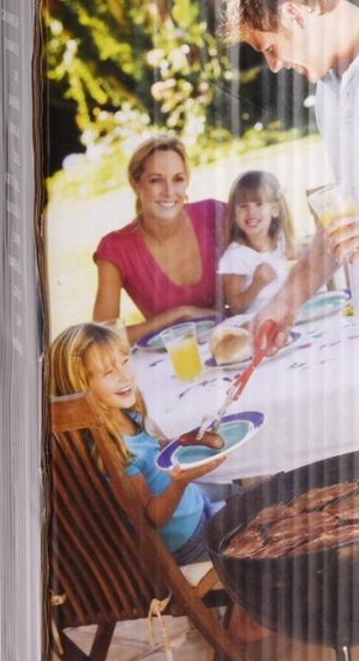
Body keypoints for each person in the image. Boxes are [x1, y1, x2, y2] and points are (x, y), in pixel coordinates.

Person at [220, 0, 359, 439]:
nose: (275, 66)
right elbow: (343, 221)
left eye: (271, 48)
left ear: (296, 14)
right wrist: (285, 302)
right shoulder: (330, 92)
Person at [48, 322, 225, 564]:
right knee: (264, 511)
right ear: (79, 388)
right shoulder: (111, 451)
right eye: (108, 372)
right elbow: (153, 517)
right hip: (190, 541)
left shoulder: (127, 414)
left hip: (197, 504)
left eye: (125, 361)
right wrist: (180, 483)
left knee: (261, 496)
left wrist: (196, 434)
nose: (125, 375)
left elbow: (162, 449)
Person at [93, 135, 226, 344]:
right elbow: (101, 337)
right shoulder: (115, 249)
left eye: (178, 179)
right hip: (172, 356)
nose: (169, 192)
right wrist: (178, 315)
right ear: (135, 184)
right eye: (156, 180)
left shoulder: (213, 214)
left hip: (234, 340)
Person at [218, 170, 296, 317]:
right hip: (256, 321)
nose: (251, 212)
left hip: (287, 313)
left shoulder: (280, 241)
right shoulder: (236, 255)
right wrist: (256, 285)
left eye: (259, 204)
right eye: (243, 206)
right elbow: (235, 308)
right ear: (234, 214)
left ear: (274, 209)